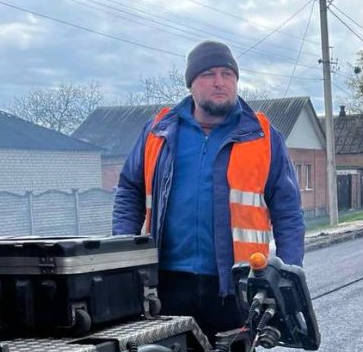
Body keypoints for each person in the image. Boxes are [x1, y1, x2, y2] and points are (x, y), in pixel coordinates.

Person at [114, 40, 305, 336]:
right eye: (208, 74)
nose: (220, 82)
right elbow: (129, 190)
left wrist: (286, 275)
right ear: (191, 83)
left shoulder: (262, 136)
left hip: (237, 288)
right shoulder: (159, 131)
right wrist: (124, 259)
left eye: (228, 74)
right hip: (167, 285)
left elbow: (288, 211)